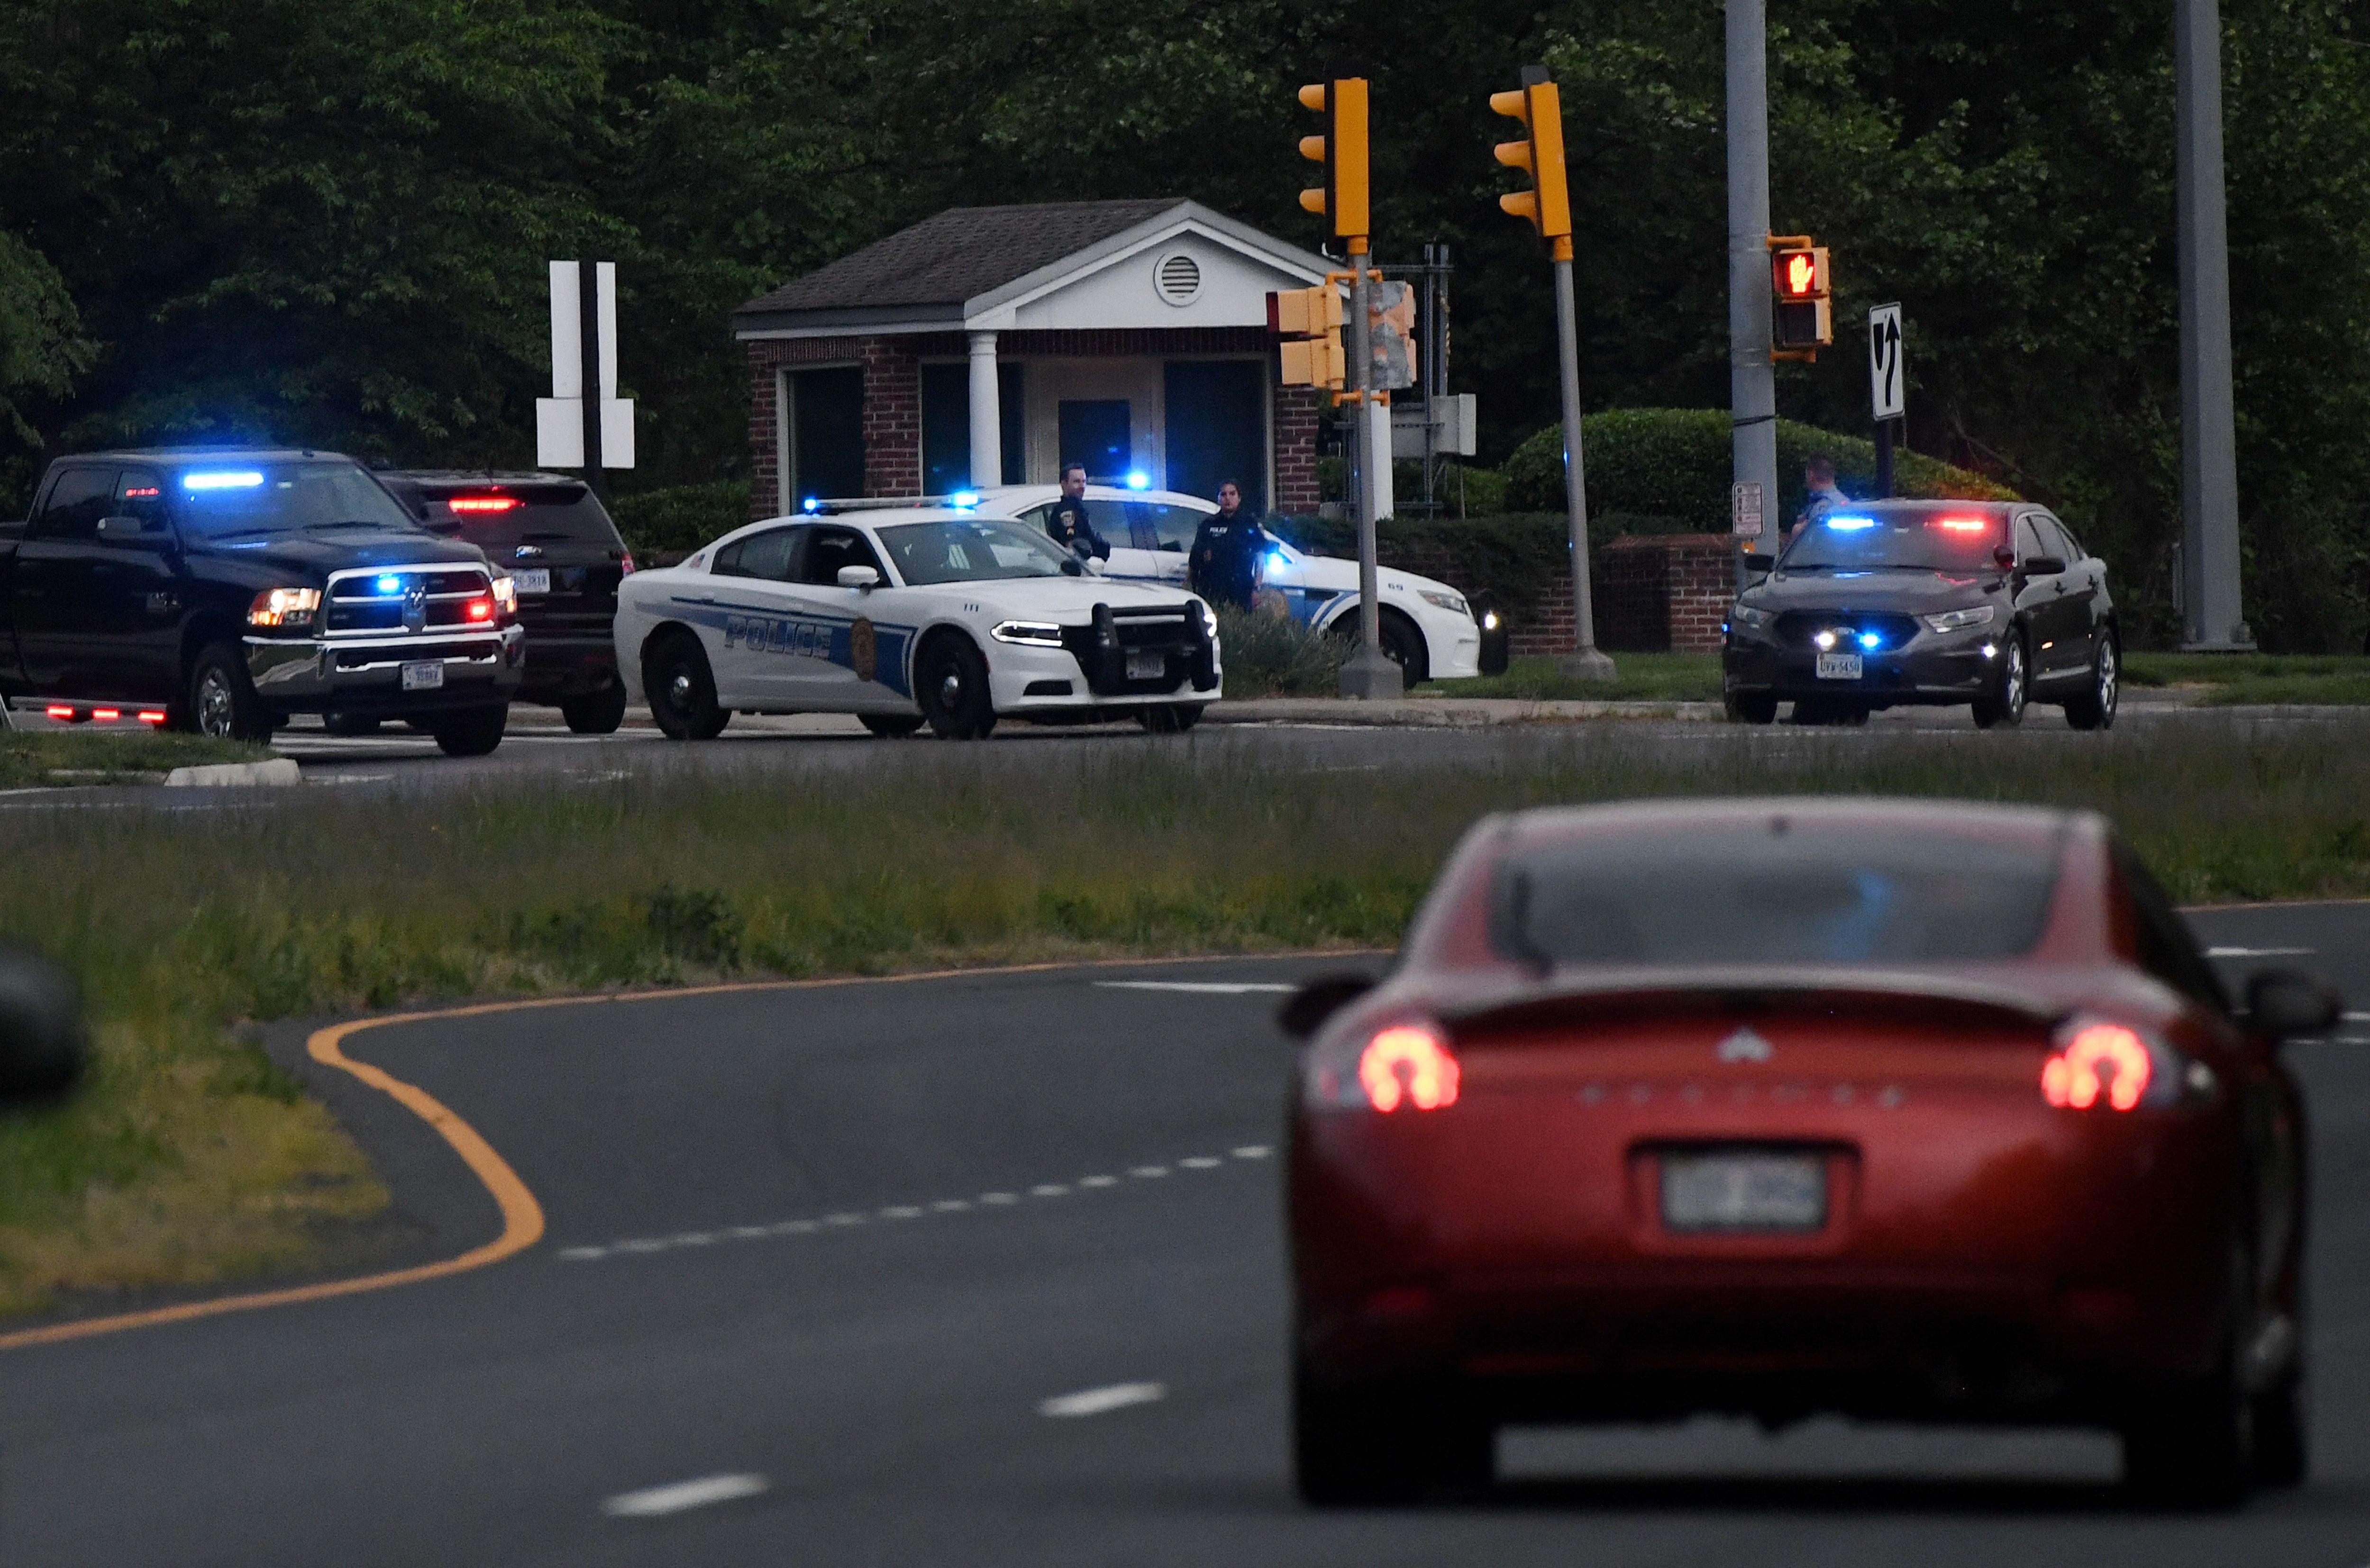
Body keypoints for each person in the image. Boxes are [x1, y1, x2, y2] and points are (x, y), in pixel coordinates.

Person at [1187, 480, 1271, 611]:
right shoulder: (1208, 524)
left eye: (1232, 494)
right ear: (1218, 498)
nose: (1228, 499)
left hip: (1241, 589)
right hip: (1211, 589)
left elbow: (1259, 556)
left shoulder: (1249, 524)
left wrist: (1257, 588)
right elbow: (1195, 557)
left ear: (1239, 498)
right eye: (1224, 494)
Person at [1041, 463, 1110, 561]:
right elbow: (1076, 547)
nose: (1082, 486)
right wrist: (1103, 548)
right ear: (1064, 484)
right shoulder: (1067, 512)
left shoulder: (1078, 508)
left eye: (1084, 481)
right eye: (1077, 482)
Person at [1792, 453, 1849, 539]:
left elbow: (1813, 543)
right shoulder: (1846, 502)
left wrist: (1798, 531)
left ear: (1811, 475)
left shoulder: (1820, 509)